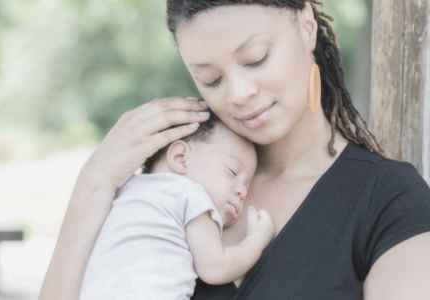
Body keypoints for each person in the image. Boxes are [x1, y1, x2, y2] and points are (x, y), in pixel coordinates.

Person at [39, 1, 430, 299]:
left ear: (307, 26)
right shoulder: (174, 183)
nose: (239, 93)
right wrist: (96, 180)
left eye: (256, 59)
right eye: (211, 79)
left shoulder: (389, 199)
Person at [79, 112, 274, 300]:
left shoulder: (123, 191)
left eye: (247, 184)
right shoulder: (191, 195)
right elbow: (215, 267)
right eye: (232, 171)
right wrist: (257, 239)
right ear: (180, 158)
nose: (243, 192)